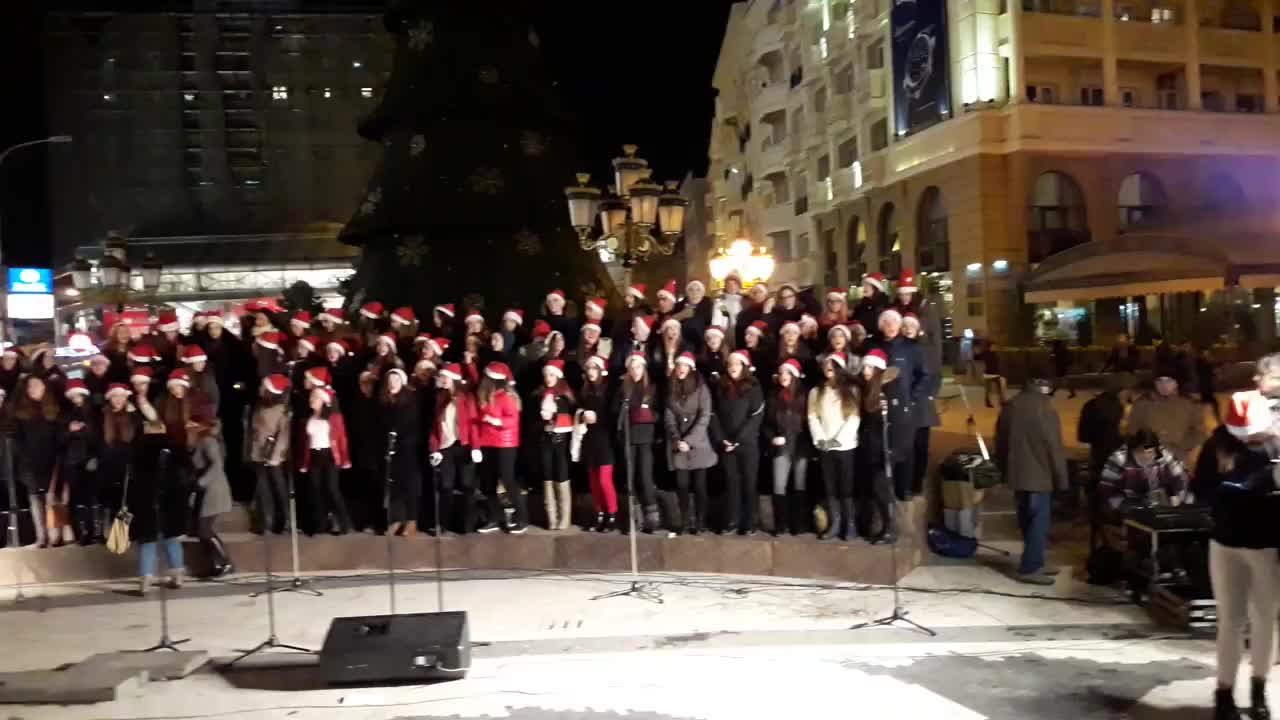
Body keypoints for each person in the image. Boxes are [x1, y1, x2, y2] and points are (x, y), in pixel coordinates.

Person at [1192, 386, 1280, 720]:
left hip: (1266, 547)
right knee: (1230, 621)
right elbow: (1200, 488)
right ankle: (1224, 693)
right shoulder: (1218, 444)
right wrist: (1230, 491)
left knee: (1264, 621)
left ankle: (1259, 689)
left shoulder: (1275, 444)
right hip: (1225, 544)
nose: (1249, 441)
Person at [995, 373, 1068, 585]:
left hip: (1017, 472)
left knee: (1027, 519)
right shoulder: (1045, 408)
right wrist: (1061, 477)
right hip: (1040, 474)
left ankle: (1035, 560)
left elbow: (1000, 440)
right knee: (1039, 521)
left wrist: (1003, 469)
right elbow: (1053, 446)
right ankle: (1031, 567)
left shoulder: (1012, 405)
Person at [878, 308, 929, 500]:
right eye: (886, 322)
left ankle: (904, 489)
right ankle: (885, 492)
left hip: (904, 408)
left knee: (905, 450)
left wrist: (912, 397)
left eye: (893, 322)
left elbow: (923, 375)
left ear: (899, 325)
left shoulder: (911, 349)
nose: (890, 326)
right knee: (885, 450)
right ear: (881, 326)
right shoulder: (877, 348)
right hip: (881, 407)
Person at [808, 352, 860, 541]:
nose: (827, 368)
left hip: (845, 446)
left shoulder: (851, 391)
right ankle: (835, 524)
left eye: (832, 364)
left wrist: (838, 440)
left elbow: (854, 417)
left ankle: (850, 524)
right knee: (830, 487)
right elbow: (812, 417)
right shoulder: (816, 392)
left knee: (846, 487)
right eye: (825, 365)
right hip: (825, 447)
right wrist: (822, 439)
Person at [713, 349, 764, 535]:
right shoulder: (721, 386)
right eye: (730, 364)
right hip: (726, 444)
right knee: (731, 482)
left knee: (749, 482)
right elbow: (714, 414)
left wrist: (738, 439)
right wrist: (721, 438)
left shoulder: (753, 387)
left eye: (736, 363)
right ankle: (732, 519)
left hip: (747, 443)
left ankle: (750, 521)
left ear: (743, 366)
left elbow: (755, 416)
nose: (733, 367)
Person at [665, 353, 716, 535]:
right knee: (682, 485)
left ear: (690, 368)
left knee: (700, 486)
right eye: (678, 366)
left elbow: (704, 416)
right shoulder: (671, 388)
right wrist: (677, 439)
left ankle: (701, 521)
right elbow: (669, 416)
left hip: (698, 443)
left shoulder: (701, 389)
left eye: (684, 366)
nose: (681, 369)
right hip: (679, 445)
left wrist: (689, 440)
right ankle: (685, 521)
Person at [429, 363, 479, 535]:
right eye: (441, 377)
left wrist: (476, 446)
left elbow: (473, 424)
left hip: (464, 445)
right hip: (447, 446)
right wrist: (434, 449)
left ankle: (467, 524)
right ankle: (443, 524)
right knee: (446, 486)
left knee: (467, 485)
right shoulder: (439, 398)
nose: (442, 380)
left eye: (445, 377)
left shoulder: (466, 397)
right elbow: (435, 427)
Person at [613, 353, 661, 533]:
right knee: (629, 478)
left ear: (644, 368)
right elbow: (614, 412)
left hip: (645, 437)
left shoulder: (651, 389)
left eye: (638, 367)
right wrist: (623, 407)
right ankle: (634, 517)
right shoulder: (623, 389)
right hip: (628, 437)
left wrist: (649, 415)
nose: (635, 371)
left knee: (645, 476)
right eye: (632, 368)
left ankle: (652, 517)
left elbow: (659, 414)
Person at [1078, 374, 1127, 547]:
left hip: (1098, 457)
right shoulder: (1119, 408)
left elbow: (1082, 435)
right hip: (1117, 459)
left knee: (1098, 500)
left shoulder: (1090, 406)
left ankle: (1097, 539)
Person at [14, 375, 62, 548]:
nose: (33, 389)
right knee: (35, 498)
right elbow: (17, 439)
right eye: (30, 386)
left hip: (51, 461)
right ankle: (41, 538)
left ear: (44, 388)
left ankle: (54, 537)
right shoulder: (21, 413)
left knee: (52, 498)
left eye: (37, 385)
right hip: (29, 462)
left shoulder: (54, 412)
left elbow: (59, 438)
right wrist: (24, 457)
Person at [476, 361, 525, 533]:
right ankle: (494, 518)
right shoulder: (485, 396)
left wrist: (497, 421)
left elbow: (513, 419)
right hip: (487, 442)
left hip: (505, 443)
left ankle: (522, 518)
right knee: (487, 482)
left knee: (507, 479)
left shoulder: (506, 397)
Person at [764, 358, 810, 536]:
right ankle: (780, 524)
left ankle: (798, 524)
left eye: (788, 373)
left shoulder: (803, 395)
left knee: (799, 485)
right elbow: (767, 423)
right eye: (782, 373)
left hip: (799, 445)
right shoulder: (773, 395)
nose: (784, 376)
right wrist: (772, 438)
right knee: (779, 486)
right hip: (781, 446)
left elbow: (808, 422)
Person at [299, 386, 353, 535]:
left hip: (329, 455)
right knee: (316, 490)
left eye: (315, 397)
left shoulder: (334, 417)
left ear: (323, 400)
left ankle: (344, 522)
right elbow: (306, 444)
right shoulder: (310, 418)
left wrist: (345, 458)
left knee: (332, 489)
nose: (311, 400)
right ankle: (320, 524)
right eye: (311, 397)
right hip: (315, 456)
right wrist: (305, 463)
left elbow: (342, 439)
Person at [857, 349, 897, 543]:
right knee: (870, 490)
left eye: (870, 367)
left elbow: (890, 426)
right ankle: (872, 526)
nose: (865, 370)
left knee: (882, 490)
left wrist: (889, 451)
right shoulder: (866, 391)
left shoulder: (884, 393)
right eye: (865, 366)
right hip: (867, 449)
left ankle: (889, 528)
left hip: (881, 451)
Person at [1098, 428, 1189, 512]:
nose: (1150, 457)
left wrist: (1177, 496)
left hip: (1162, 506)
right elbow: (1107, 489)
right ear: (1135, 448)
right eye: (1144, 453)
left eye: (1151, 452)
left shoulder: (1163, 455)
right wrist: (1127, 507)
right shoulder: (1119, 459)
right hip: (1130, 508)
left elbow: (1180, 477)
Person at [379, 367, 423, 536]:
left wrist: (400, 439)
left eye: (396, 380)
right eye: (390, 381)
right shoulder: (384, 401)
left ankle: (411, 521)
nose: (392, 384)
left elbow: (413, 426)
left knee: (409, 486)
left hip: (407, 449)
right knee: (393, 486)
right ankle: (396, 519)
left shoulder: (410, 401)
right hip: (390, 450)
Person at [1127, 372, 1205, 467]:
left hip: (1178, 460)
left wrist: (1182, 445)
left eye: (1169, 381)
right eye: (1159, 381)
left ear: (1176, 383)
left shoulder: (1190, 404)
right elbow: (1132, 432)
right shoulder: (1142, 403)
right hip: (1149, 460)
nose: (1164, 385)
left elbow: (1199, 432)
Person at [533, 359, 576, 530]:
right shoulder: (539, 394)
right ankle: (551, 518)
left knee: (561, 475)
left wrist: (555, 413)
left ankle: (564, 518)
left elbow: (569, 414)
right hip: (545, 439)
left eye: (551, 375)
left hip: (560, 440)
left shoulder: (564, 394)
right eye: (546, 375)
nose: (548, 378)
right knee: (547, 476)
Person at [576, 354, 617, 532]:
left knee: (604, 480)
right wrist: (582, 415)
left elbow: (612, 415)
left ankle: (612, 514)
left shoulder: (608, 390)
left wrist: (597, 418)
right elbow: (577, 408)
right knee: (593, 481)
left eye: (594, 368)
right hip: (589, 438)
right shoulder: (585, 390)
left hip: (605, 439)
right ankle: (599, 513)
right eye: (589, 368)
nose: (591, 372)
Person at [189, 415, 233, 577]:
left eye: (192, 425)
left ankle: (225, 562)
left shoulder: (207, 441)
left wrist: (201, 482)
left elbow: (217, 465)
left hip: (214, 491)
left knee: (204, 529)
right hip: (205, 491)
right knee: (201, 530)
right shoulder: (198, 442)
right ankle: (216, 564)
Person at [248, 374, 292, 534]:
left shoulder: (281, 411)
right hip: (259, 453)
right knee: (263, 489)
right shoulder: (259, 406)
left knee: (279, 488)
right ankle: (267, 521)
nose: (260, 389)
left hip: (274, 457)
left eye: (263, 387)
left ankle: (287, 521)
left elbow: (283, 436)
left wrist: (275, 456)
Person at [98, 383, 138, 539]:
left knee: (126, 498)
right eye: (115, 396)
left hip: (127, 461)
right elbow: (99, 438)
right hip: (108, 462)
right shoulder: (103, 414)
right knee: (110, 498)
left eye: (121, 396)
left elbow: (136, 438)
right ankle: (108, 532)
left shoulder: (133, 415)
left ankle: (124, 532)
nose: (118, 399)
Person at [62, 380, 100, 545]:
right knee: (77, 499)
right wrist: (70, 431)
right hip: (72, 461)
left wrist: (95, 456)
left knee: (91, 498)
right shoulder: (66, 414)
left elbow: (98, 437)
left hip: (89, 459)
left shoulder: (94, 413)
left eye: (78, 394)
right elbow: (60, 439)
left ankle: (93, 531)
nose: (76, 398)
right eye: (73, 395)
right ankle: (82, 532)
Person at [853, 273, 890, 340]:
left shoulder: (884, 305)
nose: (864, 287)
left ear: (875, 287)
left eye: (868, 285)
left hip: (879, 342)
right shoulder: (861, 306)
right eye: (864, 285)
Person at [978, 340, 1005, 408]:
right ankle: (994, 401)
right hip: (990, 373)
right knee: (990, 389)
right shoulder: (990, 354)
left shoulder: (990, 353)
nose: (995, 347)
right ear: (991, 346)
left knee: (995, 388)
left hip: (991, 373)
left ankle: (999, 401)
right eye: (994, 346)